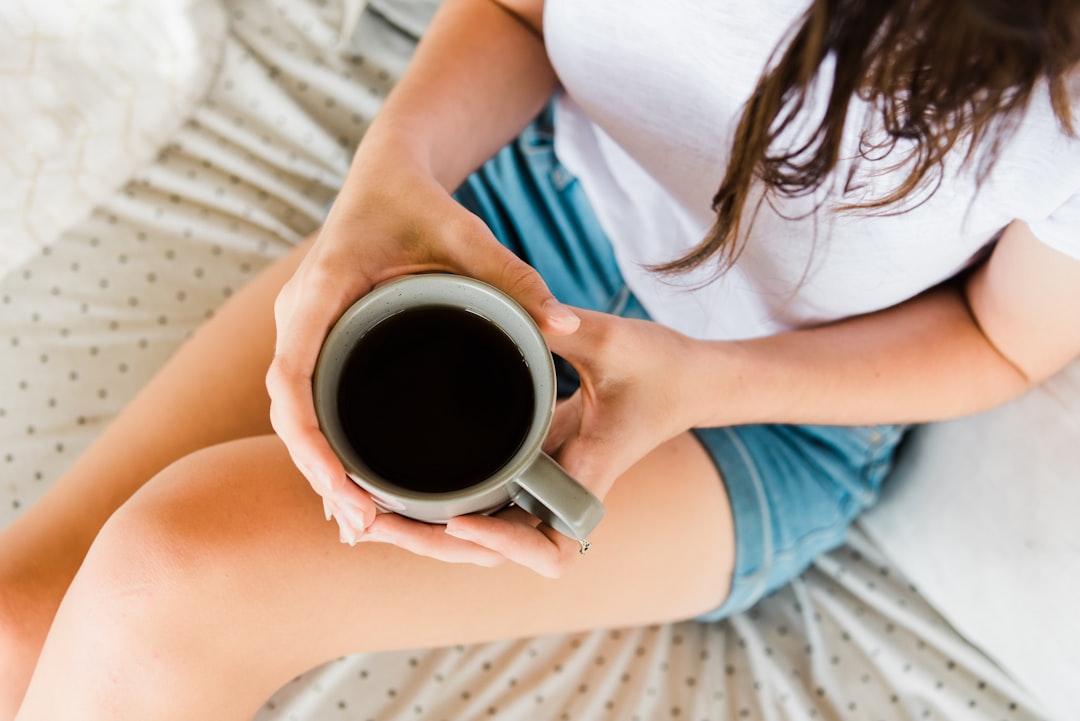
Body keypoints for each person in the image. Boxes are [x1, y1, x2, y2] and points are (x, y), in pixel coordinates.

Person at [3, 0, 1080, 717]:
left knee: (171, 582)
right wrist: (391, 177)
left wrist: (698, 381)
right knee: (16, 628)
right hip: (504, 221)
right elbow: (519, 13)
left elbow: (997, 336)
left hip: (757, 413)